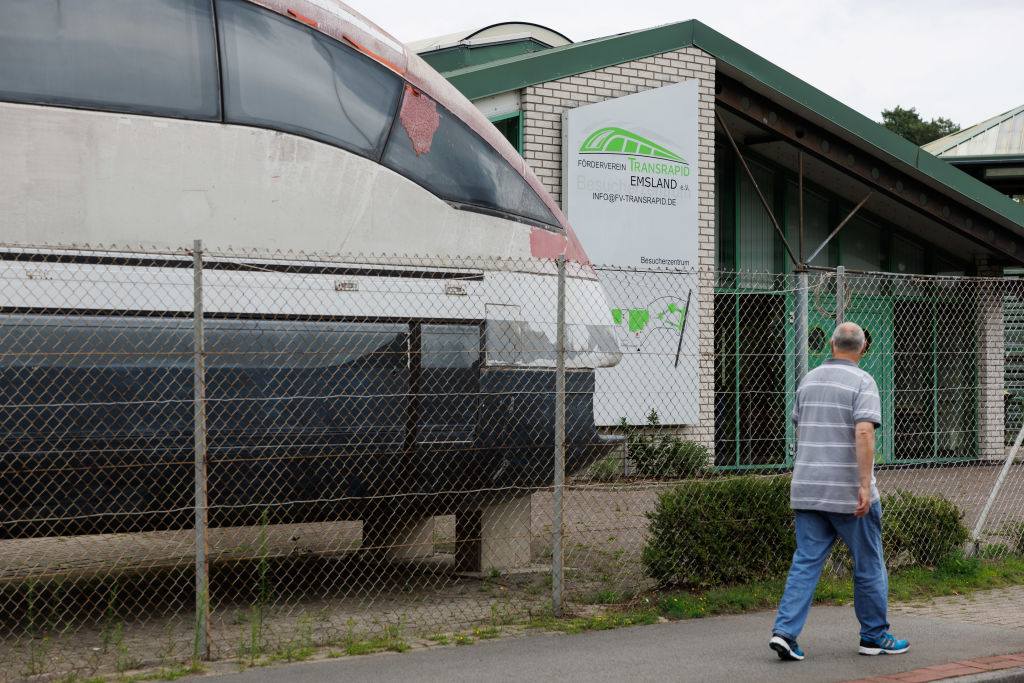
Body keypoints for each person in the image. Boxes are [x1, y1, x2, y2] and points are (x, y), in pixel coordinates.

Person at [769, 322, 908, 661]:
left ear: (831, 345)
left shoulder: (808, 380)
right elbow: (864, 434)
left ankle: (784, 633)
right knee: (869, 564)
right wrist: (863, 486)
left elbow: (803, 431)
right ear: (863, 349)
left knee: (805, 562)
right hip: (848, 494)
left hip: (807, 489)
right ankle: (874, 637)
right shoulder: (864, 381)